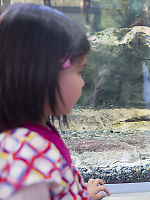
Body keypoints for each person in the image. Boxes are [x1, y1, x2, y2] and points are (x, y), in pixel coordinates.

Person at [0, 3, 110, 200]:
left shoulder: (37, 135)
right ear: (45, 74)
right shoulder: (25, 153)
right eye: (79, 71)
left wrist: (81, 192)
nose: (83, 82)